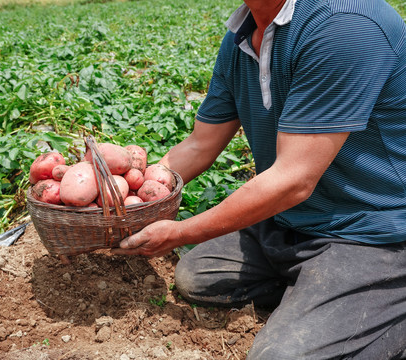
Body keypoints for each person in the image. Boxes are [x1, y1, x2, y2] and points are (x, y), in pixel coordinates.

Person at [112, 0, 406, 358]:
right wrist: (131, 187)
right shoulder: (241, 36)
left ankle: (383, 303)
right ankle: (319, 293)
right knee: (196, 276)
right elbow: (199, 145)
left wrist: (179, 232)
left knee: (279, 356)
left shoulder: (346, 25)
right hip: (290, 219)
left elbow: (293, 179)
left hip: (374, 231)